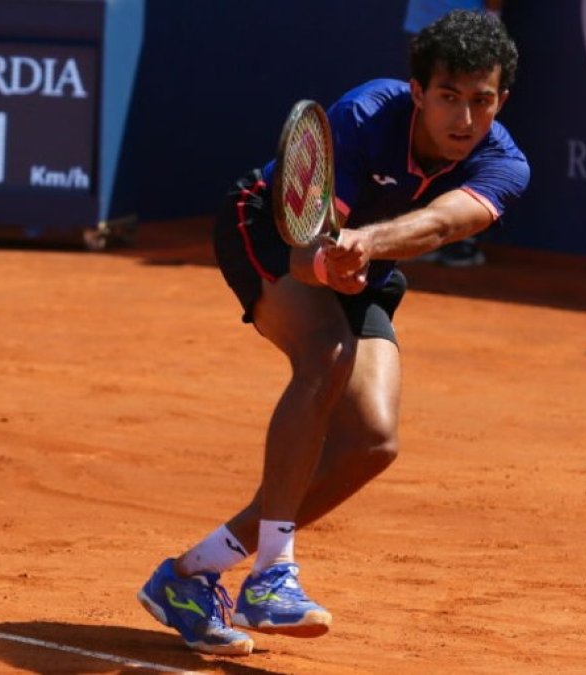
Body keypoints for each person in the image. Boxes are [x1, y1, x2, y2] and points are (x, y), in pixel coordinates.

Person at [137, 9, 529, 656]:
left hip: (365, 257)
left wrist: (361, 250)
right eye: (448, 98)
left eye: (481, 101)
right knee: (325, 354)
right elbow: (301, 255)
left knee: (372, 442)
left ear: (500, 100)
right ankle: (272, 572)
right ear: (418, 93)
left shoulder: (505, 164)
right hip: (266, 224)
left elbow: (437, 225)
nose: (464, 118)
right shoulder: (361, 118)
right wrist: (329, 258)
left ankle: (191, 574)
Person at [405, 0, 505, 267]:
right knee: (427, 126)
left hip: (473, 26)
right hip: (425, 18)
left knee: (464, 128)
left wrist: (492, 15)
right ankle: (416, 231)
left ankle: (462, 238)